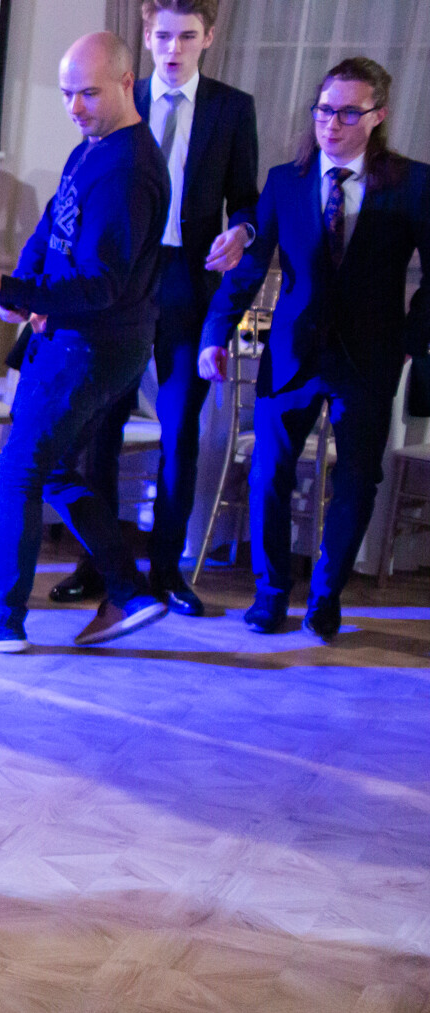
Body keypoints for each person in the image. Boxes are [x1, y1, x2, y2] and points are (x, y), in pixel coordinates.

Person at [0, 32, 171, 653]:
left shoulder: (127, 169)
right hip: (81, 338)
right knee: (52, 468)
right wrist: (19, 289)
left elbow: (102, 284)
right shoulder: (93, 148)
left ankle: (1, 620)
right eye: (66, 94)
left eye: (88, 93)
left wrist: (12, 288)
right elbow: (50, 232)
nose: (75, 107)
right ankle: (128, 591)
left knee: (19, 471)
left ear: (126, 83)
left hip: (91, 346)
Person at [201, 57, 430, 641]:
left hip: (369, 358)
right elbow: (250, 266)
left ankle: (326, 597)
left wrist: (410, 339)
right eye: (324, 110)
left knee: (356, 482)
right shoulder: (286, 180)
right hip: (291, 354)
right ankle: (271, 593)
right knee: (269, 474)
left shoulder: (413, 183)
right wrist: (215, 334)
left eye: (349, 113)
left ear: (378, 116)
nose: (331, 123)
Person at [47, 0, 258, 616]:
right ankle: (100, 566)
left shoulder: (231, 108)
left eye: (186, 36)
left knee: (180, 429)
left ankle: (168, 572)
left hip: (187, 282)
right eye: (163, 36)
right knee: (100, 428)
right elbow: (84, 188)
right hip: (119, 284)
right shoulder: (119, 94)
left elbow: (246, 199)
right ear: (146, 35)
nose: (173, 49)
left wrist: (243, 230)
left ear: (208, 38)